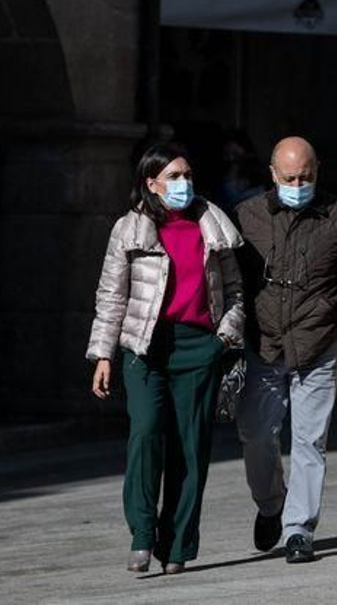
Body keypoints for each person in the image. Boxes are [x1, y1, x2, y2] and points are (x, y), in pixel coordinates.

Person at [87, 143, 245, 575]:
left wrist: (223, 339)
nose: (184, 184)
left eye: (188, 175)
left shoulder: (211, 222)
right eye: (173, 176)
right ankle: (142, 533)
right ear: (151, 183)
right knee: (146, 433)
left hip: (199, 346)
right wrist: (103, 353)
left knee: (191, 448)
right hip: (145, 348)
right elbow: (111, 294)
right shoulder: (129, 228)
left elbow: (234, 291)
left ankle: (177, 546)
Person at [234, 137, 337, 563]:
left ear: (318, 171)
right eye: (290, 177)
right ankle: (272, 504)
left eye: (306, 176)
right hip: (265, 343)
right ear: (273, 175)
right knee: (256, 434)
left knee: (310, 441)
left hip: (318, 343)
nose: (298, 184)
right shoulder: (248, 215)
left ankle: (299, 530)